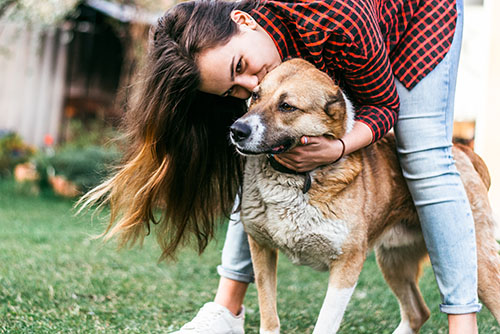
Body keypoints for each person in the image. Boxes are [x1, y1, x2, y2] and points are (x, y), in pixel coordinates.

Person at [79, 0, 481, 333]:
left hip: (416, 21)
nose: (251, 85)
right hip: (349, 38)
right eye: (234, 88)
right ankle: (227, 308)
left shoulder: (338, 18)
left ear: (244, 20)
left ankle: (462, 324)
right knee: (260, 157)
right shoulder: (254, 58)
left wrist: (337, 147)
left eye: (241, 67)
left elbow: (384, 107)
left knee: (422, 155)